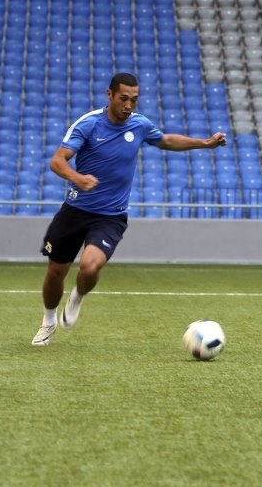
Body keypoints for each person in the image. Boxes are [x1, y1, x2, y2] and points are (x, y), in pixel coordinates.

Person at [32, 72, 227, 346]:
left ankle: (78, 295)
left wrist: (205, 143)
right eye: (123, 98)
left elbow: (167, 141)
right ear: (109, 94)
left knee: (89, 267)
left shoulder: (140, 124)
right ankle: (48, 320)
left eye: (134, 100)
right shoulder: (89, 124)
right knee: (55, 272)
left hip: (110, 216)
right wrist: (78, 178)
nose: (128, 105)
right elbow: (57, 161)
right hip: (74, 211)